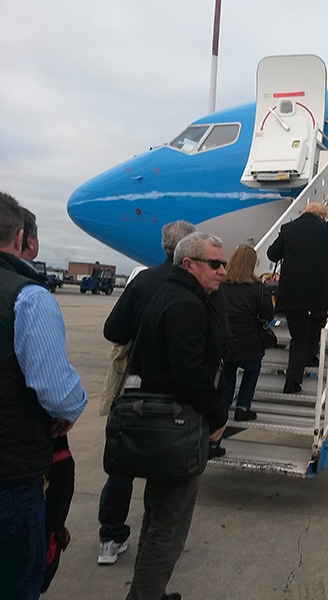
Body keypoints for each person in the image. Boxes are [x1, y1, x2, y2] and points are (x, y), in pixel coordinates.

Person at [124, 231, 229, 600]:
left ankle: (146, 592)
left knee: (157, 517)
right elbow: (189, 372)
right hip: (177, 424)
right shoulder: (186, 303)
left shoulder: (172, 293)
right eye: (214, 264)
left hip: (163, 421)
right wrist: (218, 416)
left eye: (224, 263)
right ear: (188, 264)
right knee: (168, 528)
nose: (222, 271)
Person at [0, 191, 87, 600]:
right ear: (20, 238)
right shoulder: (28, 297)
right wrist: (72, 409)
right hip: (10, 473)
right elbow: (60, 397)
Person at [96, 220, 198, 566]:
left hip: (134, 390)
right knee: (166, 476)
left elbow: (113, 330)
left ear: (163, 246)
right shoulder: (196, 287)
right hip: (176, 397)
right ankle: (155, 550)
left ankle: (109, 538)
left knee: (121, 467)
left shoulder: (143, 281)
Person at [267, 203, 328, 393]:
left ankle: (307, 359)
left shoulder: (288, 228)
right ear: (322, 215)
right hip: (316, 292)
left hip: (291, 293)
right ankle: (293, 381)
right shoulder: (327, 230)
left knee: (299, 335)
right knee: (315, 324)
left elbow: (272, 254)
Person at [220, 244, 274, 422]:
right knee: (252, 370)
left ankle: (224, 406)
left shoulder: (220, 286)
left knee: (227, 373)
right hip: (250, 341)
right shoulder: (259, 288)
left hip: (225, 340)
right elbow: (267, 315)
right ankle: (243, 407)